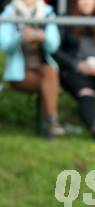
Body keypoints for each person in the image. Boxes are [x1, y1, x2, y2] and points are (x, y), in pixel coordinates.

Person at [54, 0, 95, 139]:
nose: (86, 3)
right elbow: (56, 50)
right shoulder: (65, 19)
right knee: (85, 91)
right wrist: (76, 64)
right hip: (75, 68)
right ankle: (94, 127)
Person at [0, 0, 65, 138]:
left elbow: (54, 46)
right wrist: (21, 38)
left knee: (48, 71)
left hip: (44, 69)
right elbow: (4, 46)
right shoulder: (9, 12)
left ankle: (51, 122)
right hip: (20, 73)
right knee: (50, 83)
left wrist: (43, 37)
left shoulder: (47, 12)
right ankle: (52, 123)